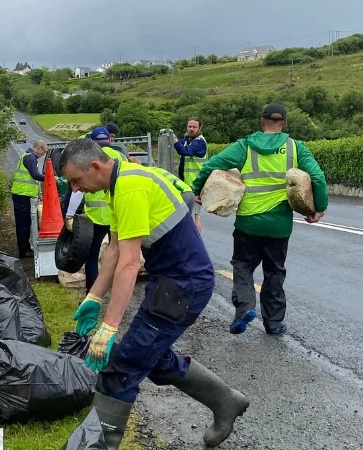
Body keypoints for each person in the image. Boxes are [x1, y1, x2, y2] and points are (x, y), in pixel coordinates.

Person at [58, 139, 250, 449]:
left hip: (182, 286)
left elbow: (130, 263)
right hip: (171, 282)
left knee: (122, 367)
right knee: (149, 355)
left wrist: (108, 328)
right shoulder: (120, 184)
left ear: (94, 166)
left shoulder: (131, 188)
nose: (77, 190)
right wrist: (94, 296)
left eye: (76, 181)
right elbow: (116, 249)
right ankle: (226, 401)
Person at [191, 104, 328, 335]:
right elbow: (317, 177)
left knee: (243, 266)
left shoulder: (245, 146)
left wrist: (197, 188)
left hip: (248, 222)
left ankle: (245, 307)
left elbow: (212, 165)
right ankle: (273, 324)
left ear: (261, 121)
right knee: (274, 272)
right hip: (279, 224)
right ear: (283, 122)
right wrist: (319, 208)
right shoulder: (296, 147)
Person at [64, 127, 125, 292]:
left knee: (92, 255)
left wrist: (69, 213)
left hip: (96, 218)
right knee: (119, 254)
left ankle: (92, 292)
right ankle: (119, 289)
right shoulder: (120, 156)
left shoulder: (87, 159)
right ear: (110, 139)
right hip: (117, 216)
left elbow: (77, 192)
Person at [169, 117, 207, 234]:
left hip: (196, 184)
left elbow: (184, 151)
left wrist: (174, 139)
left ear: (200, 128)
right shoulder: (188, 140)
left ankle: (196, 240)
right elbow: (180, 144)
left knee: (196, 215)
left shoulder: (199, 142)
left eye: (194, 127)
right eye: (189, 126)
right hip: (186, 183)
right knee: (188, 214)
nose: (191, 129)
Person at [11, 140, 47, 258]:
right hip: (22, 195)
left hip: (22, 194)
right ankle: (24, 250)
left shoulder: (27, 157)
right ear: (40, 148)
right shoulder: (30, 158)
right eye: (44, 151)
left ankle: (25, 248)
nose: (43, 154)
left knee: (24, 222)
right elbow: (35, 175)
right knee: (23, 224)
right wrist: (51, 177)